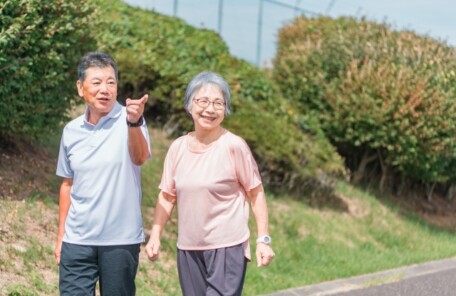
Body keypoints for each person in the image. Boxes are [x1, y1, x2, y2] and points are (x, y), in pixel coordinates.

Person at [145, 71, 275, 296]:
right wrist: (155, 235)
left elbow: (256, 193)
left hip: (227, 247)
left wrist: (263, 239)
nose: (210, 109)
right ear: (189, 105)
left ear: (225, 109)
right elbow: (167, 196)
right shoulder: (177, 148)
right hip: (188, 248)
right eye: (203, 101)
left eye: (218, 103)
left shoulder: (234, 146)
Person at [54, 51, 151, 295]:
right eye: (96, 82)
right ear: (80, 87)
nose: (104, 89)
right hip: (77, 241)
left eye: (111, 82)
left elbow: (139, 158)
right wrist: (61, 237)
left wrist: (133, 123)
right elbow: (68, 184)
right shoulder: (71, 130)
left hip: (120, 241)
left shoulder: (132, 120)